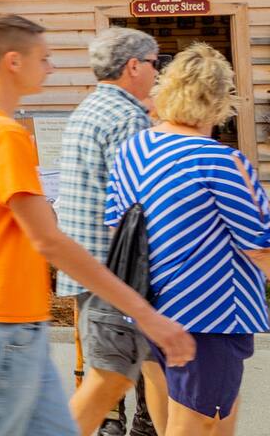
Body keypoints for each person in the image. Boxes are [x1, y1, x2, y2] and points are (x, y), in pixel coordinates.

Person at [0, 14, 192, 436]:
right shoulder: (1, 134)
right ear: (14, 62)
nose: (51, 69)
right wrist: (145, 312)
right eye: (45, 59)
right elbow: (48, 239)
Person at [104, 43, 263, 436]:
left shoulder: (133, 150)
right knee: (199, 425)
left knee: (185, 419)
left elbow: (115, 225)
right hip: (209, 317)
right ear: (220, 99)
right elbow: (260, 244)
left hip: (149, 311)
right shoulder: (221, 161)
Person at [56, 27, 163, 436]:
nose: (157, 72)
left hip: (86, 260)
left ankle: (113, 424)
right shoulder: (128, 118)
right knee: (138, 366)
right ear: (133, 66)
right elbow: (135, 206)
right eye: (155, 63)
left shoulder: (87, 109)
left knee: (104, 369)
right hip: (119, 266)